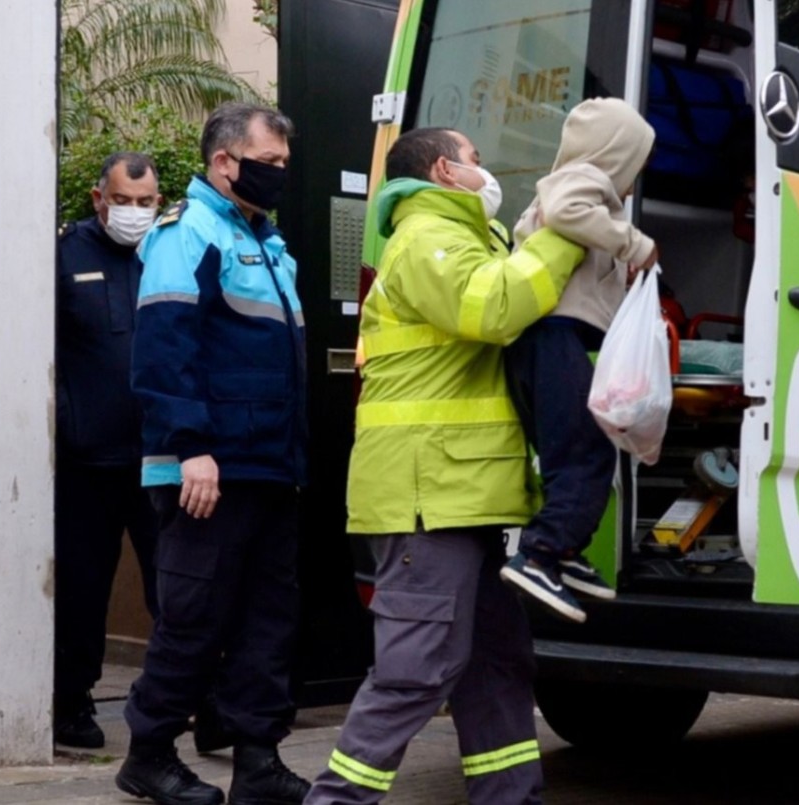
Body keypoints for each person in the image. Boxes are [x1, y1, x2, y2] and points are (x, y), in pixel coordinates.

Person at [304, 127, 585, 805]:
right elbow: (493, 306)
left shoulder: (460, 238)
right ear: (443, 169)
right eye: (476, 160)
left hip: (462, 494)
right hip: (425, 496)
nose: (485, 172)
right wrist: (570, 231)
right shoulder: (426, 236)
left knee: (494, 665)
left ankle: (511, 797)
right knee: (416, 670)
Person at [115, 102, 310, 805]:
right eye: (272, 160)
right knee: (193, 618)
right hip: (208, 470)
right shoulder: (187, 232)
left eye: (285, 163)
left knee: (267, 620)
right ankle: (149, 752)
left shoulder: (266, 242)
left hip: (266, 465)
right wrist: (190, 446)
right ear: (225, 161)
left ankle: (258, 756)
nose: (280, 174)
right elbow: (165, 351)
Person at [499, 98, 659, 623]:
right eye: (635, 163)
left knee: (575, 450)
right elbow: (567, 210)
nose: (635, 179)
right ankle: (541, 554)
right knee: (586, 451)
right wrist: (635, 244)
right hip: (551, 339)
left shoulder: (581, 188)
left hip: (546, 342)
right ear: (616, 156)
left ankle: (563, 553)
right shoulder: (581, 179)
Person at [54, 152, 163, 748]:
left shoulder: (166, 253)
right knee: (82, 588)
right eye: (123, 201)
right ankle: (72, 704)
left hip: (157, 458)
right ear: (100, 199)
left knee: (172, 588)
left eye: (145, 203)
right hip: (86, 461)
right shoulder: (66, 253)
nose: (134, 213)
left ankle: (183, 704)